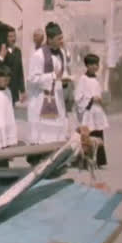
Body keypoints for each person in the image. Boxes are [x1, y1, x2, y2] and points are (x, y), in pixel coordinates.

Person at [26, 22, 70, 166]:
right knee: (42, 133)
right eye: (59, 38)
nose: (61, 41)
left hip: (57, 98)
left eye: (62, 37)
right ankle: (37, 160)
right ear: (49, 39)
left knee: (56, 131)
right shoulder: (38, 56)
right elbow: (32, 79)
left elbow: (62, 73)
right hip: (41, 100)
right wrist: (52, 76)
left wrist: (65, 79)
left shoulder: (61, 53)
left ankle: (53, 160)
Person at [74, 54, 108, 167]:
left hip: (97, 111)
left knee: (99, 134)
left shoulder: (96, 79)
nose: (95, 66)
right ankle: (87, 160)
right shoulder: (83, 79)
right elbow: (78, 97)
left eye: (96, 64)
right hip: (88, 112)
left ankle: (99, 160)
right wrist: (91, 99)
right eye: (92, 64)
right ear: (87, 65)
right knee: (88, 136)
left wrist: (101, 100)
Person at [0, 30, 26, 106]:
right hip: (3, 88)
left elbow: (20, 71)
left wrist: (22, 90)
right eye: (10, 36)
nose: (13, 39)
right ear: (6, 38)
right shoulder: (0, 50)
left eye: (14, 36)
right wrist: (2, 56)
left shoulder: (18, 51)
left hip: (14, 89)